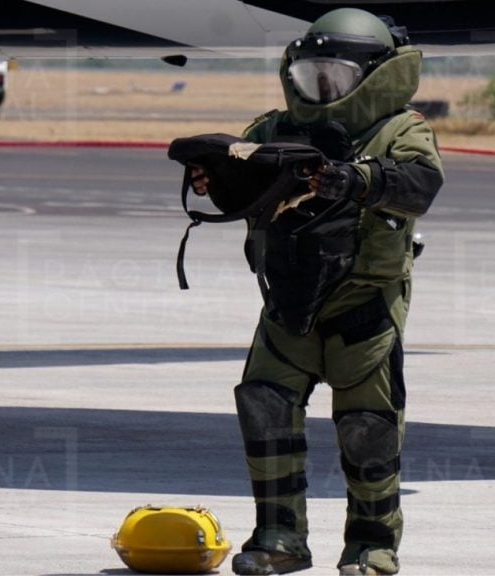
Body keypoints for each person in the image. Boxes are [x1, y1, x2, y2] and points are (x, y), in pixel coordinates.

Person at [192, 8, 442, 575]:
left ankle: (372, 547)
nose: (322, 88)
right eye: (313, 75)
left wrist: (358, 179)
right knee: (265, 407)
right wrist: (214, 177)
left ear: (377, 77)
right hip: (287, 301)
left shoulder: (401, 131)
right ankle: (279, 539)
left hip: (364, 304)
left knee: (368, 428)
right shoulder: (273, 129)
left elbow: (420, 184)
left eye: (335, 76)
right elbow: (245, 175)